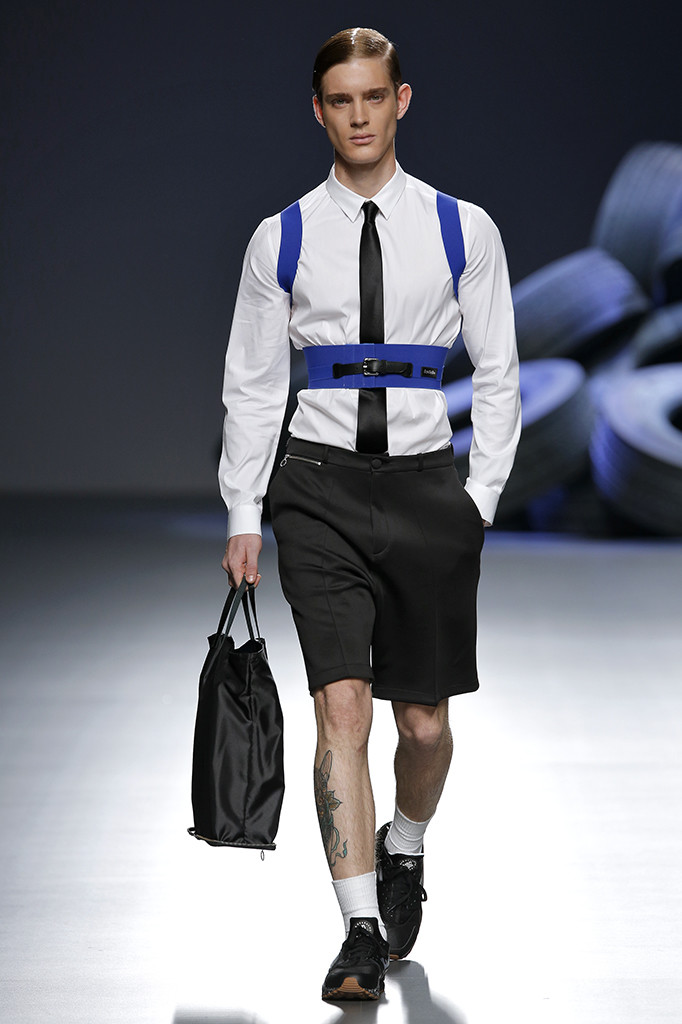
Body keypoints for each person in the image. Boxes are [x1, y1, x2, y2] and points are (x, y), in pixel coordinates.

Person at [219, 27, 521, 1002]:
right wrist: (243, 508)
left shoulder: (461, 230)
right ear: (319, 111)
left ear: (401, 101)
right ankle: (356, 928)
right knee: (341, 709)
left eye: (373, 97)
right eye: (340, 100)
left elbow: (500, 372)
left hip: (429, 488)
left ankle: (406, 843)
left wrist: (477, 502)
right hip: (318, 489)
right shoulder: (282, 237)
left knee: (423, 726)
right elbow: (253, 383)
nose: (358, 116)